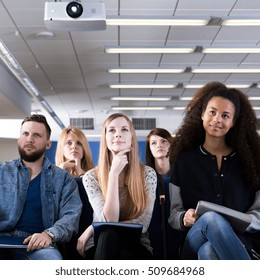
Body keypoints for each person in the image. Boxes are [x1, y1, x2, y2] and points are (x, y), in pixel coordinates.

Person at [168, 81, 260, 260]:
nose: (217, 119)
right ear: (202, 114)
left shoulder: (252, 163)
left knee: (209, 251)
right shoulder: (183, 161)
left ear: (233, 122)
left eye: (225, 115)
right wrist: (184, 218)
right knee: (211, 219)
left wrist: (243, 222)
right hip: (194, 240)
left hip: (242, 242)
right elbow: (173, 214)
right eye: (212, 112)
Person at [0, 114, 82, 260]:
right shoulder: (2, 171)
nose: (29, 139)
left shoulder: (63, 179)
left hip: (39, 245)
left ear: (48, 144)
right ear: (19, 139)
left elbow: (71, 217)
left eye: (36, 135)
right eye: (25, 133)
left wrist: (48, 234)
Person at [77, 113, 157, 259]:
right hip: (100, 242)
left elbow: (143, 222)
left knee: (118, 245)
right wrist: (113, 174)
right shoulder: (90, 177)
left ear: (132, 138)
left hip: (137, 243)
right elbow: (110, 220)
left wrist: (91, 228)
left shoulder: (148, 174)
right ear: (105, 138)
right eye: (112, 130)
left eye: (124, 130)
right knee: (108, 235)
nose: (118, 135)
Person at [55, 125, 95, 259]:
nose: (74, 147)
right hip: (60, 232)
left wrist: (82, 174)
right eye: (69, 143)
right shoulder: (51, 175)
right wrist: (60, 174)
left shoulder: (96, 175)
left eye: (79, 143)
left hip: (89, 231)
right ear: (62, 148)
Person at [146, 128, 181, 259]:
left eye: (163, 141)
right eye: (153, 143)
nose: (159, 145)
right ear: (149, 148)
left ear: (170, 144)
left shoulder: (181, 173)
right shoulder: (145, 176)